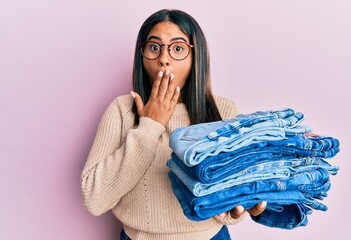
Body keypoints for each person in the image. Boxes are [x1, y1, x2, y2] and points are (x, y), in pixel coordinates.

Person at [81, 9, 267, 240]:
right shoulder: (121, 110)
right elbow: (94, 199)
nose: (164, 58)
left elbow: (230, 201)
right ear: (142, 53)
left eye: (177, 48)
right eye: (154, 47)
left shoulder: (224, 111)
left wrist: (238, 208)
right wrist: (150, 125)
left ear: (195, 56)